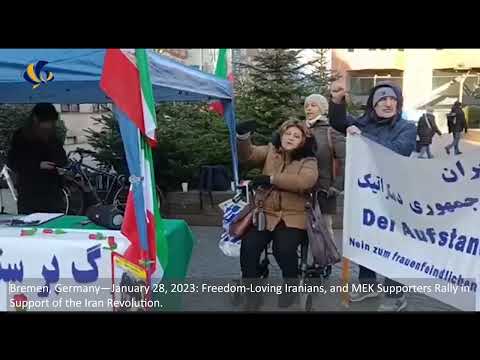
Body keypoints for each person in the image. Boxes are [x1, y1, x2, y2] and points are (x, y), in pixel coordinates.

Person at [329, 81, 416, 311]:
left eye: (392, 99)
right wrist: (337, 101)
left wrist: (363, 137)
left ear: (398, 103)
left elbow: (398, 150)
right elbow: (338, 122)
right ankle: (368, 285)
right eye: (382, 99)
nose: (388, 103)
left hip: (395, 197)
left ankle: (394, 293)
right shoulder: (363, 123)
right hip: (367, 194)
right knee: (366, 241)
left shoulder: (407, 127)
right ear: (373, 105)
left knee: (392, 244)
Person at [236, 119, 318, 310]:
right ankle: (252, 295)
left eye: (296, 136)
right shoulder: (271, 152)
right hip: (266, 213)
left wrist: (272, 179)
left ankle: (290, 286)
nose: (290, 138)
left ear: (303, 141)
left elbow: (305, 181)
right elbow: (247, 156)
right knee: (248, 247)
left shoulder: (308, 160)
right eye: (287, 134)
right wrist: (243, 137)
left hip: (293, 216)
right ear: (281, 135)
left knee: (284, 249)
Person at [7, 103, 68, 214]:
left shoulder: (52, 136)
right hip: (30, 192)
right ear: (36, 119)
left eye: (51, 122)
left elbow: (62, 157)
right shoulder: (21, 137)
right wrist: (37, 165)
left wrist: (60, 166)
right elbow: (13, 162)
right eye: (47, 122)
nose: (49, 125)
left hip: (53, 192)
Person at [303, 94, 345, 246]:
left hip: (324, 189)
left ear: (322, 108)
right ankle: (303, 263)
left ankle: (326, 261)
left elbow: (344, 160)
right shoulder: (298, 128)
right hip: (301, 188)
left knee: (325, 228)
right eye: (307, 105)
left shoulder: (331, 131)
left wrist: (337, 186)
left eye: (313, 105)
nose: (309, 108)